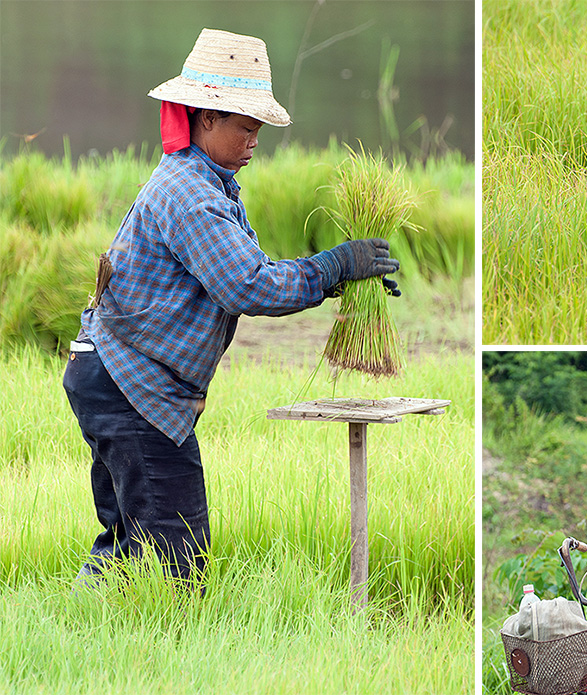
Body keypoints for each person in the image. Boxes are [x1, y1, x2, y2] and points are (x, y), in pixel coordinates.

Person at [63, 29, 400, 588]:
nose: (254, 140)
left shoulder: (207, 182)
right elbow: (249, 286)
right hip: (130, 385)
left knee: (130, 544)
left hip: (114, 376)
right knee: (179, 563)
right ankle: (156, 650)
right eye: (245, 126)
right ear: (206, 118)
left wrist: (342, 277)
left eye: (259, 129)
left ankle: (83, 622)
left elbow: (250, 271)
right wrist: (335, 265)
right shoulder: (192, 195)